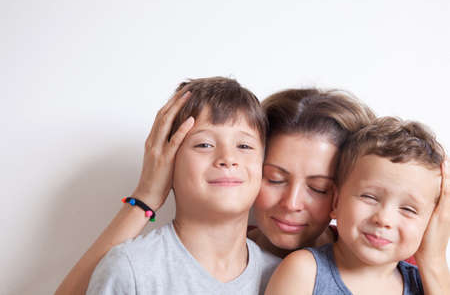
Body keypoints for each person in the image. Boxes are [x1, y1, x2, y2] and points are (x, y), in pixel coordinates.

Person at [55, 87, 450, 295]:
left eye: (318, 187)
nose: (292, 204)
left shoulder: (388, 262)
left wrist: (433, 262)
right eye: (274, 178)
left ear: (343, 193)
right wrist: (147, 197)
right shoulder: (208, 256)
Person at [86, 76, 281, 294]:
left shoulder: (282, 277)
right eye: (204, 144)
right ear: (168, 162)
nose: (228, 158)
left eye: (244, 145)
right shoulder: (131, 270)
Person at [265, 117, 447, 295]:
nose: (384, 219)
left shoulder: (426, 284)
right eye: (369, 197)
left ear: (431, 223)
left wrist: (435, 260)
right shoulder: (304, 272)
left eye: (408, 209)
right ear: (336, 201)